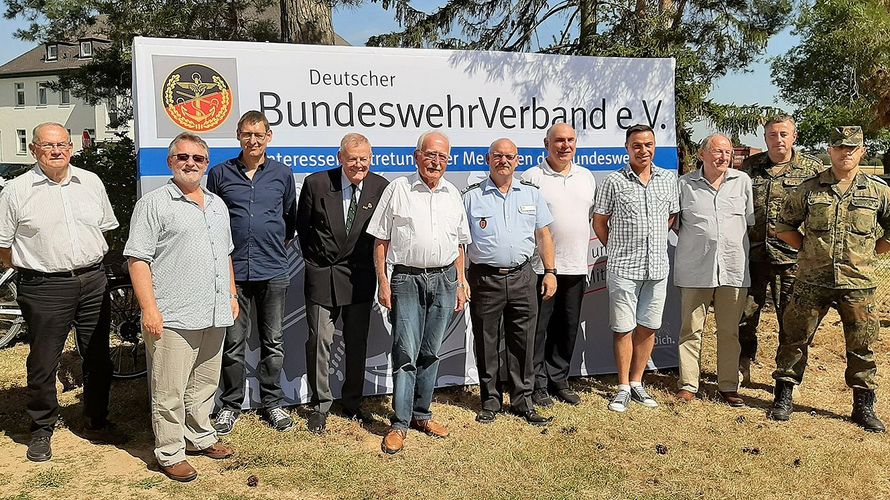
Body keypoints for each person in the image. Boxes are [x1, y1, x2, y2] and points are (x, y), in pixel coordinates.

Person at [0, 122, 121, 462]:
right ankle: (42, 428)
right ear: (34, 150)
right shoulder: (16, 191)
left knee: (97, 355)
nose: (56, 151)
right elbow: (3, 246)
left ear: (71, 148)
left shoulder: (91, 182)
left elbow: (104, 231)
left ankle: (97, 419)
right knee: (43, 361)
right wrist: (37, 265)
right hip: (44, 287)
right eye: (48, 145)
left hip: (93, 281)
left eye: (62, 145)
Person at [125, 132, 239, 481]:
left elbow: (226, 255)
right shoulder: (154, 204)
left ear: (207, 164)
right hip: (173, 313)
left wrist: (232, 295)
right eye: (182, 157)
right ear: (170, 162)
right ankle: (169, 452)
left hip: (215, 311)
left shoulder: (217, 205)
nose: (190, 163)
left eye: (198, 158)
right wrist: (149, 309)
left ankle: (199, 437)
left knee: (203, 383)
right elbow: (137, 259)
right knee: (169, 389)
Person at [770, 126, 890, 432]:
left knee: (862, 345)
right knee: (794, 339)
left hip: (857, 283)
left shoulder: (878, 192)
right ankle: (783, 398)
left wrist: (871, 253)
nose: (845, 153)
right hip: (812, 280)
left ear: (862, 151)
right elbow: (783, 226)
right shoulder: (810, 189)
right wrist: (809, 249)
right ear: (830, 150)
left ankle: (863, 407)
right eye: (839, 148)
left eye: (852, 148)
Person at [366, 130, 471, 454]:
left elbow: (458, 243)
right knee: (406, 354)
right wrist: (383, 283)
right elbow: (381, 241)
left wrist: (461, 281)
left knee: (430, 352)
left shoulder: (453, 193)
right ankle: (399, 423)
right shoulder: (398, 189)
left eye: (442, 157)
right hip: (407, 281)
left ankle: (422, 415)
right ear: (417, 157)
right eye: (430, 155)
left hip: (444, 281)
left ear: (448, 161)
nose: (435, 162)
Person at [206, 110, 297, 435]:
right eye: (247, 134)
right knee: (233, 343)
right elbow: (212, 219)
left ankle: (272, 403)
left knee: (273, 341)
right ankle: (230, 405)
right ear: (238, 136)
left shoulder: (282, 175)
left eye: (259, 135)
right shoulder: (219, 173)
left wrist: (267, 240)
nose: (253, 140)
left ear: (268, 137)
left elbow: (289, 220)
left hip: (273, 270)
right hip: (232, 273)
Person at [296, 133, 389, 433]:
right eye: (352, 158)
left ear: (371, 159)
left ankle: (352, 402)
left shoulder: (380, 187)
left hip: (360, 278)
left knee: (356, 343)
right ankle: (320, 405)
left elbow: (381, 236)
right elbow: (304, 229)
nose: (358, 164)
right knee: (319, 342)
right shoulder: (317, 183)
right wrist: (318, 263)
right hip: (323, 275)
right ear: (340, 158)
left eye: (364, 159)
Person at [464, 138, 557, 426]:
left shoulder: (531, 195)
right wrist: (461, 279)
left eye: (509, 156)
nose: (503, 161)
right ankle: (490, 401)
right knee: (486, 341)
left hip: (523, 276)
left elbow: (543, 236)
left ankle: (522, 401)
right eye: (498, 156)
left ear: (517, 161)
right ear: (487, 160)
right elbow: (460, 242)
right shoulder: (471, 197)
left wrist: (551, 271)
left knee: (522, 342)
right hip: (485, 279)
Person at [592, 124, 679, 413]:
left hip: (657, 268)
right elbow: (600, 222)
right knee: (623, 328)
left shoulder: (668, 180)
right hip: (624, 268)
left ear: (655, 147)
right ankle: (622, 387)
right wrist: (617, 248)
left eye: (648, 145)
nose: (643, 150)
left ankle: (638, 382)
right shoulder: (613, 181)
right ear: (628, 148)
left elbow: (671, 217)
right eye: (637, 145)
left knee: (648, 326)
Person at [737, 115, 823, 384]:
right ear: (765, 138)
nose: (779, 140)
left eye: (784, 134)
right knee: (746, 316)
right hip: (753, 255)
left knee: (792, 319)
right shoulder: (751, 166)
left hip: (793, 258)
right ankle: (743, 364)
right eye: (772, 135)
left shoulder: (812, 169)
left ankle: (788, 376)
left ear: (794, 137)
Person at [674, 134, 754, 406]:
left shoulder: (743, 183)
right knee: (690, 330)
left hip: (733, 269)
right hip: (695, 270)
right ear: (702, 154)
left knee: (730, 331)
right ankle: (688, 384)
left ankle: (729, 386)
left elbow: (749, 221)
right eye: (718, 152)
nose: (723, 157)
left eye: (728, 153)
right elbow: (675, 223)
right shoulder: (684, 184)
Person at [521, 123, 596, 407]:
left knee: (567, 328)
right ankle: (538, 383)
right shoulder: (533, 176)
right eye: (559, 140)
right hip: (542, 269)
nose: (565, 145)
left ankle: (559, 380)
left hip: (577, 267)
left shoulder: (586, 177)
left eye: (570, 140)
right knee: (540, 329)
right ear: (546, 143)